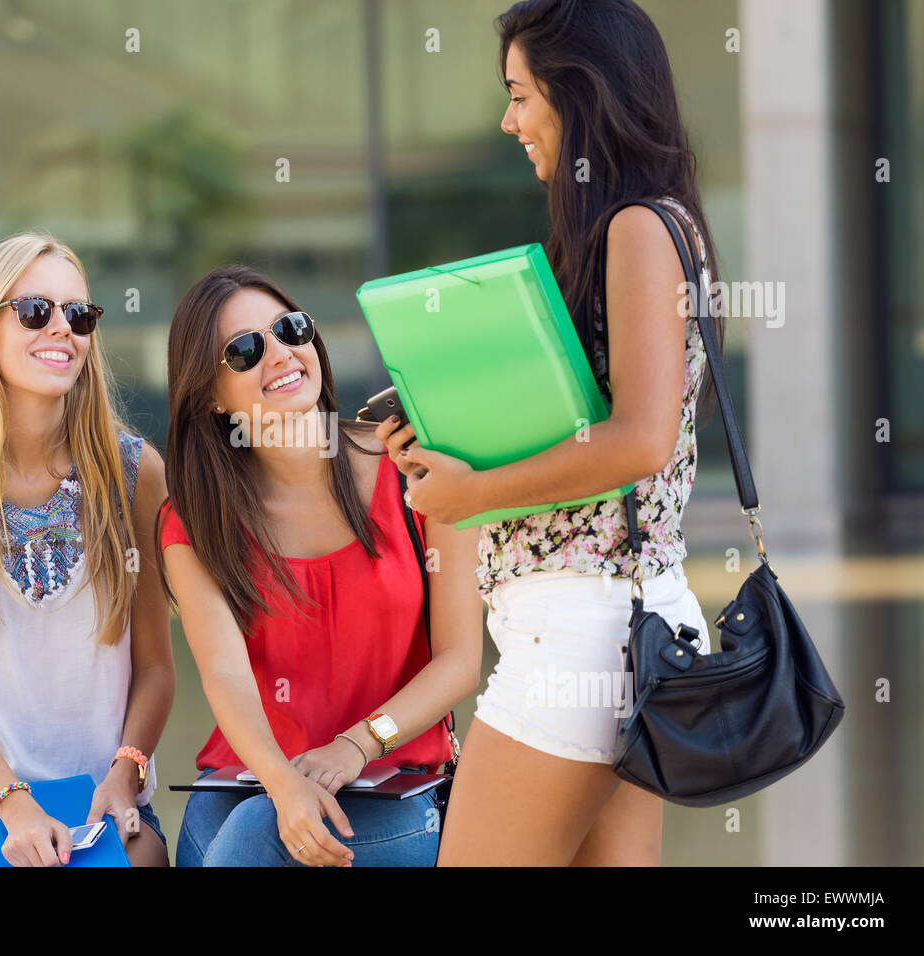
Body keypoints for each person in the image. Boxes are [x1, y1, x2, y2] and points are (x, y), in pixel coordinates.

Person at [376, 0, 725, 865]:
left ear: (582, 94)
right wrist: (444, 440)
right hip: (620, 629)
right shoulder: (640, 223)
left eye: (521, 95)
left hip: (583, 634)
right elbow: (586, 427)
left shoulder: (640, 227)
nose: (509, 121)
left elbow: (639, 440)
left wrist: (467, 494)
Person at [157, 265, 481, 866]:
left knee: (254, 837)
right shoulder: (194, 517)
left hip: (394, 783)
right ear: (208, 394)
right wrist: (283, 783)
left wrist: (358, 744)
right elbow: (226, 676)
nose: (280, 354)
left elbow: (460, 661)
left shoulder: (417, 469)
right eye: (246, 350)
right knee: (221, 834)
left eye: (290, 328)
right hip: (250, 775)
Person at [0, 231, 175, 867]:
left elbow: (156, 666)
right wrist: (13, 804)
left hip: (104, 785)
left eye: (78, 315)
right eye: (34, 311)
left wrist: (125, 774)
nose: (62, 330)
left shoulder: (134, 474)